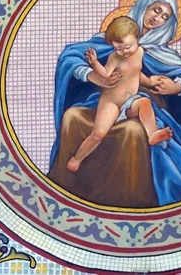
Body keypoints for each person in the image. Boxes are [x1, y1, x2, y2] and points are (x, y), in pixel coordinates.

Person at [49, 0, 181, 206]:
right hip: (104, 103)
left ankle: (135, 199)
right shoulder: (110, 41)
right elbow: (70, 58)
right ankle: (72, 183)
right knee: (73, 116)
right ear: (144, 5)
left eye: (165, 17)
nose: (158, 18)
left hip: (142, 108)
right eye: (156, 10)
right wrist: (91, 75)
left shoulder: (161, 53)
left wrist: (176, 86)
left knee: (134, 131)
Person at [66, 16, 173, 173]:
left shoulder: (140, 52)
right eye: (118, 48)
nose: (124, 52)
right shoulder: (115, 58)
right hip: (112, 103)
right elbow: (105, 74)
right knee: (98, 134)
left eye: (127, 47)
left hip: (131, 102)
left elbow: (136, 73)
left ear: (137, 39)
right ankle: (78, 158)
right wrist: (95, 63)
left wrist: (150, 82)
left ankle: (152, 135)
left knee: (145, 102)